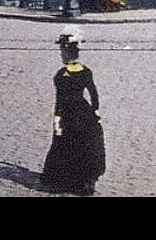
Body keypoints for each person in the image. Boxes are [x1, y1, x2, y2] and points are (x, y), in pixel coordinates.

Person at [41, 28, 106, 195]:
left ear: (65, 52)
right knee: (88, 147)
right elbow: (94, 95)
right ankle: (86, 181)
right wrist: (96, 114)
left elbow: (60, 101)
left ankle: (64, 181)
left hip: (68, 115)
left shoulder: (60, 75)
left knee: (63, 146)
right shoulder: (86, 71)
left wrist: (57, 121)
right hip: (86, 114)